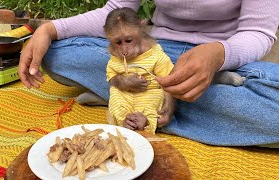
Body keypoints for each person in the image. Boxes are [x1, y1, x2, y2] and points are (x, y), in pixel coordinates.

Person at [18, 0, 279, 147]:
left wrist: (218, 54)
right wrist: (50, 29)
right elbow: (117, 12)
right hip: (149, 53)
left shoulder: (222, 52)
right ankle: (169, 101)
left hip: (224, 54)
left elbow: (258, 33)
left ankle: (127, 99)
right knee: (58, 52)